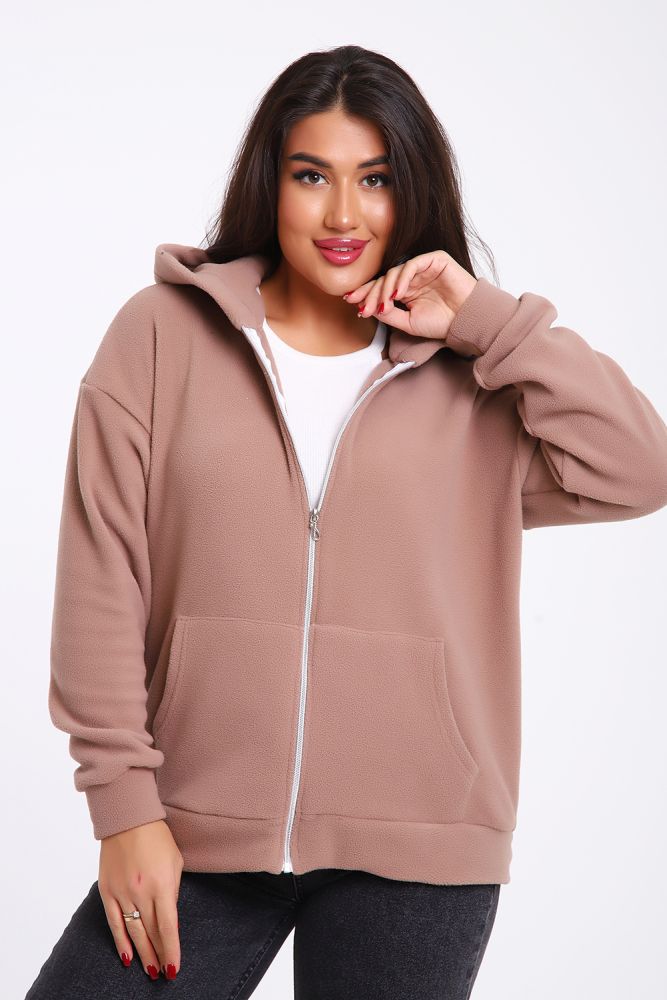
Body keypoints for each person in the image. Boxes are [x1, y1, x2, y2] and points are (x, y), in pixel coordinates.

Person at [26, 44, 667, 999]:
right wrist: (124, 810)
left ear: (412, 192)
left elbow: (639, 469)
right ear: (269, 181)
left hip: (420, 848)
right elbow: (101, 581)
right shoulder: (161, 335)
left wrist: (486, 321)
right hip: (190, 828)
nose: (342, 215)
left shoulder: (472, 379)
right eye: (310, 175)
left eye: (375, 179)